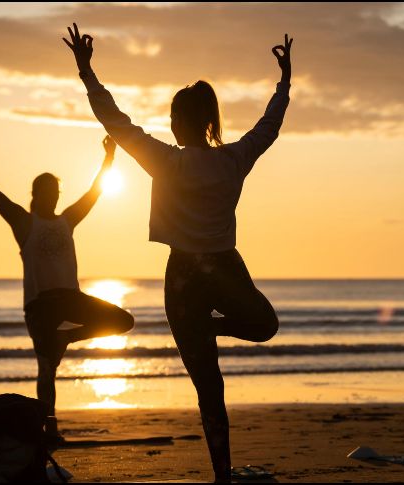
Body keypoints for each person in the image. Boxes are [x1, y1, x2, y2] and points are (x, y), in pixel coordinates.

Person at [64, 24, 292, 481]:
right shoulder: (233, 158)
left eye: (173, 118)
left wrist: (87, 72)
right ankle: (222, 475)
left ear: (183, 123)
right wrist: (284, 80)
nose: (169, 124)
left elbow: (115, 121)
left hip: (186, 277)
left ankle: (223, 471)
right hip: (225, 268)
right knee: (263, 326)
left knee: (210, 387)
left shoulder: (165, 160)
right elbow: (269, 127)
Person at [0, 126, 134, 441]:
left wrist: (109, 157)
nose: (55, 197)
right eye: (49, 192)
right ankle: (48, 432)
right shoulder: (24, 222)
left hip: (71, 298)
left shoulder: (67, 219)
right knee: (47, 371)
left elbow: (95, 192)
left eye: (57, 192)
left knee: (123, 320)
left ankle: (68, 336)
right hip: (41, 306)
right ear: (37, 194)